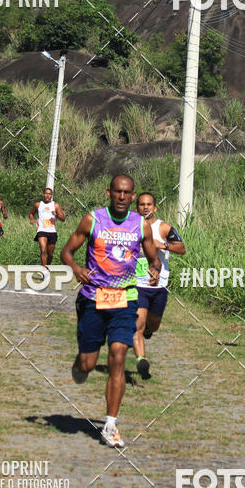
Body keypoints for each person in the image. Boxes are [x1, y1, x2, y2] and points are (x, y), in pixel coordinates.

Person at [61, 174, 160, 448]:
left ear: (133, 196)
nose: (121, 197)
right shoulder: (92, 220)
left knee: (118, 356)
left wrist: (154, 271)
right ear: (109, 193)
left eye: (126, 193)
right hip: (93, 299)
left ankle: (110, 424)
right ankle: (82, 361)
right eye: (117, 191)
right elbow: (66, 252)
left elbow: (154, 258)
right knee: (87, 364)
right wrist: (76, 269)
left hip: (125, 299)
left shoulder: (140, 224)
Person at [133, 192, 186, 379]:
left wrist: (162, 245)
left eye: (149, 204)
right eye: (142, 205)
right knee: (137, 325)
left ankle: (150, 329)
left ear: (154, 208)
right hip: (137, 284)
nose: (145, 207)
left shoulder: (163, 227)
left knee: (153, 324)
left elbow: (182, 248)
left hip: (159, 286)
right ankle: (141, 360)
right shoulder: (131, 228)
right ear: (137, 208)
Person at [29, 188, 66, 267]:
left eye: (49, 194)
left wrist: (56, 214)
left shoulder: (55, 205)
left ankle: (47, 267)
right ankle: (44, 271)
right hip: (41, 230)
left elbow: (63, 219)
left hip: (52, 231)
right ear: (43, 194)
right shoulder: (38, 204)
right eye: (46, 193)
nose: (47, 195)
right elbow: (31, 213)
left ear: (51, 195)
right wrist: (32, 220)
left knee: (50, 254)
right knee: (43, 251)